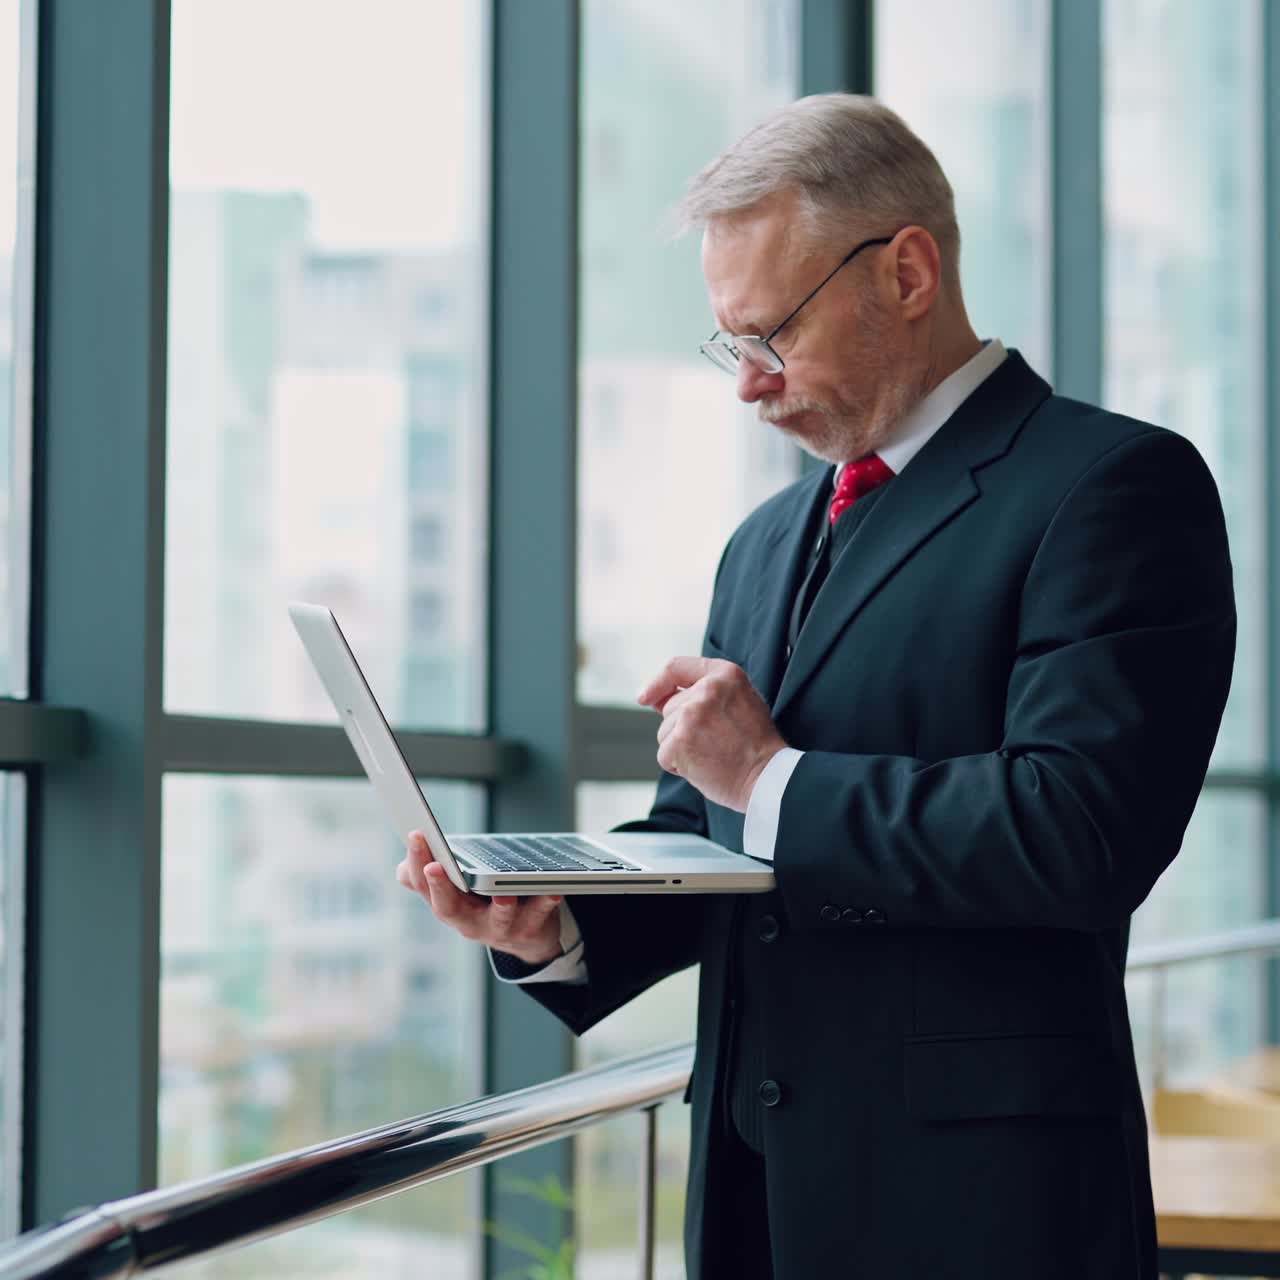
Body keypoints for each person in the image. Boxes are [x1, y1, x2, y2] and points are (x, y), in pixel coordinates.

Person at [397, 93, 1236, 1278]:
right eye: (730, 342)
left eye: (771, 334)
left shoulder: (1111, 487)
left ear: (905, 271)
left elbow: (1082, 829)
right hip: (756, 1189)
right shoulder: (763, 538)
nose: (748, 383)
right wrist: (561, 927)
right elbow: (723, 838)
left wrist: (769, 773)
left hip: (981, 1206)